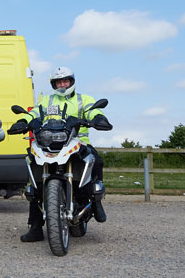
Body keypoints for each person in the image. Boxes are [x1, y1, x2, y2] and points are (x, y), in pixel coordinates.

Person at [10, 66, 111, 242]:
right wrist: (22, 121)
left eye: (65, 81)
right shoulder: (47, 100)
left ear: (71, 81)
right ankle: (35, 227)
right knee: (34, 176)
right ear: (54, 84)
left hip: (77, 142)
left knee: (97, 161)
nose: (62, 85)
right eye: (58, 82)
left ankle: (96, 202)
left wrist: (98, 118)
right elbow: (35, 114)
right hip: (49, 144)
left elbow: (92, 109)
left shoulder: (83, 99)